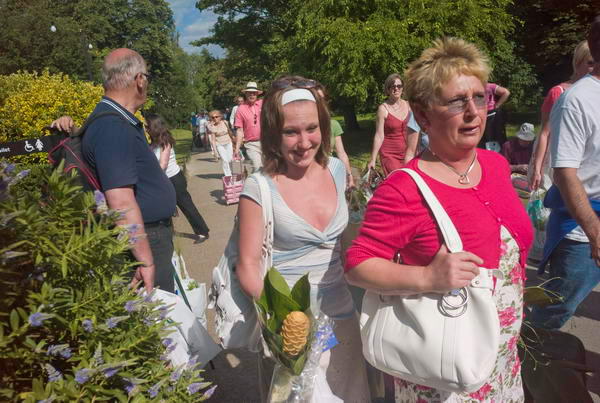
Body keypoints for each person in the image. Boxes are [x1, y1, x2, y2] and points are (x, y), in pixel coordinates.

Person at [345, 37, 533, 402]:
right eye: (456, 101)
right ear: (423, 113)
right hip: (441, 375)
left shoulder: (495, 165)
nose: (473, 112)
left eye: (479, 98)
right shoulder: (404, 188)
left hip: (502, 364)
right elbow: (356, 265)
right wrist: (427, 277)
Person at [236, 78, 370, 401]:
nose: (303, 142)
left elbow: (347, 245)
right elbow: (248, 265)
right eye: (290, 132)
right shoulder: (259, 187)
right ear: (272, 134)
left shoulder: (337, 170)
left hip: (342, 320)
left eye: (312, 128)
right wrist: (281, 323)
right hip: (291, 333)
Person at [50, 49, 177, 293]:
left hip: (147, 234)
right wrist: (145, 260)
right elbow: (120, 202)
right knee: (158, 320)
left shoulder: (116, 121)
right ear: (139, 80)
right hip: (144, 240)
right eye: (147, 77)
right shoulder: (113, 126)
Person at [528, 17, 600, 330]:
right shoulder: (576, 101)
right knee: (555, 310)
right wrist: (595, 233)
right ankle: (531, 368)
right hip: (583, 232)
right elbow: (565, 173)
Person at [528, 40, 594, 191]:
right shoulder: (559, 92)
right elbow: (545, 133)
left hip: (586, 160)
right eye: (590, 63)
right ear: (577, 64)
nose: (595, 68)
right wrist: (538, 169)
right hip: (556, 158)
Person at [145, 114, 210, 244]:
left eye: (147, 126)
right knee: (163, 206)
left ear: (154, 126)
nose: (146, 129)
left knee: (186, 205)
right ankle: (167, 233)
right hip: (162, 180)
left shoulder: (165, 142)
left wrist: (150, 175)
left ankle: (202, 231)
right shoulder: (151, 144)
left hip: (174, 179)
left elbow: (162, 165)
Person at [368, 73, 419, 176]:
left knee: (411, 181)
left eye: (399, 86)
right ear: (388, 89)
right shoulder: (383, 109)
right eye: (393, 86)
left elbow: (416, 129)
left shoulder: (409, 105)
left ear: (402, 88)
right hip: (390, 154)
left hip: (408, 152)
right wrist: (373, 159)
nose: (396, 89)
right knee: (398, 179)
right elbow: (379, 135)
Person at [234, 82, 264, 172]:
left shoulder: (263, 104)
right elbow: (239, 130)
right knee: (257, 166)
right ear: (246, 94)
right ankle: (257, 183)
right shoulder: (241, 109)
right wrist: (236, 149)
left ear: (257, 94)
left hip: (266, 142)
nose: (252, 95)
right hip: (251, 144)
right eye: (249, 93)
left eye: (254, 93)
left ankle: (259, 184)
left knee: (268, 169)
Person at [478, 81, 510, 150]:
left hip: (491, 114)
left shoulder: (490, 86)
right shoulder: (474, 87)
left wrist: (497, 105)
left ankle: (493, 155)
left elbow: (506, 93)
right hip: (480, 114)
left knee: (491, 137)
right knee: (481, 138)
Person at [206, 109, 234, 177]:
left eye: (216, 116)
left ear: (220, 116)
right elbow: (213, 140)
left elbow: (230, 132)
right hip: (220, 145)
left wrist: (234, 141)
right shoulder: (212, 127)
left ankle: (230, 172)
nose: (215, 118)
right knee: (225, 160)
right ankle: (228, 175)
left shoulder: (225, 122)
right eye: (213, 117)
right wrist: (215, 152)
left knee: (230, 159)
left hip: (228, 143)